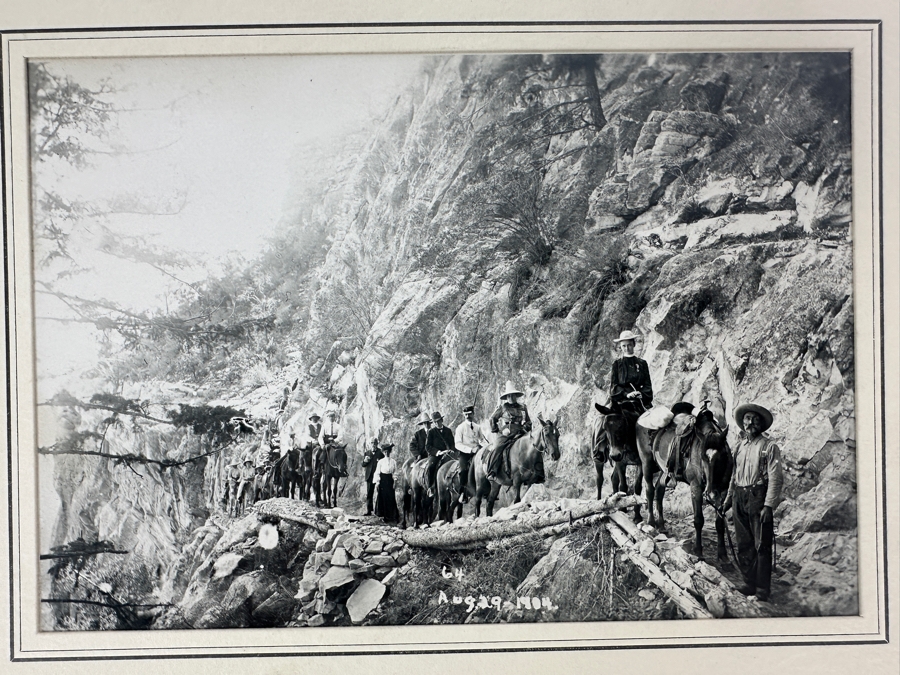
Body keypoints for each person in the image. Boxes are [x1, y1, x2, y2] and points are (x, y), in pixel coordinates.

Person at [725, 403, 784, 602]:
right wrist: (727, 501)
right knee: (743, 543)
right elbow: (734, 475)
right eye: (747, 419)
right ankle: (749, 583)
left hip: (758, 497)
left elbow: (776, 478)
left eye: (755, 420)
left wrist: (769, 505)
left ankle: (762, 589)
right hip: (739, 497)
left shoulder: (769, 447)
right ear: (742, 423)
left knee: (762, 545)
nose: (750, 423)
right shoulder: (739, 447)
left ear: (761, 425)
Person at [487, 382, 532, 481]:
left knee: (533, 445)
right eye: (508, 396)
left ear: (516, 396)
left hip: (520, 431)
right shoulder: (503, 408)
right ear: (506, 397)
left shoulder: (523, 407)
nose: (511, 397)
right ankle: (492, 471)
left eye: (512, 395)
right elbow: (492, 419)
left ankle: (538, 471)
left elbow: (528, 422)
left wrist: (525, 428)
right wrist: (497, 430)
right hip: (506, 432)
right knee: (497, 447)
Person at [610, 329, 653, 415]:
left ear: (634, 344)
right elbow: (614, 386)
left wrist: (642, 394)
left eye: (629, 345)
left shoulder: (642, 363)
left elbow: (647, 385)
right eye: (624, 346)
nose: (626, 348)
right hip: (622, 401)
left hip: (640, 401)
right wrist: (627, 394)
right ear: (620, 347)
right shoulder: (617, 364)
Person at [454, 405, 488, 503]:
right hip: (465, 453)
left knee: (487, 464)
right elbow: (457, 444)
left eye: (470, 414)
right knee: (463, 470)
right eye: (466, 415)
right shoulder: (460, 428)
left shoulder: (477, 427)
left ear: (473, 414)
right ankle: (463, 492)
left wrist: (487, 447)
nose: (468, 416)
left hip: (477, 451)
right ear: (464, 415)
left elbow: (481, 440)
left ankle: (486, 489)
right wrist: (470, 450)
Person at [425, 411, 456, 496]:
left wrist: (451, 450)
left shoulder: (448, 431)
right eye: (435, 422)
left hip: (448, 453)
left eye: (438, 421)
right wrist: (438, 452)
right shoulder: (431, 432)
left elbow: (452, 443)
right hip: (436, 455)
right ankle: (430, 487)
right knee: (431, 466)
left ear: (442, 420)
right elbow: (428, 446)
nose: (437, 423)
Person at [373, 443, 400, 523]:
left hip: (390, 480)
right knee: (383, 498)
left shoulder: (393, 462)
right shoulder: (381, 462)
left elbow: (395, 472)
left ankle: (392, 516)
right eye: (385, 452)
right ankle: (384, 516)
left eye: (388, 451)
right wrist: (377, 483)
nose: (386, 453)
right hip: (383, 480)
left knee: (391, 497)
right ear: (383, 452)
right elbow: (377, 472)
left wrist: (395, 481)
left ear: (390, 452)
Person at [362, 438, 385, 516]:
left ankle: (379, 511)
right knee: (369, 493)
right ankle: (369, 510)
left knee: (380, 492)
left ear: (377, 444)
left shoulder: (380, 453)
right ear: (370, 444)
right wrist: (365, 461)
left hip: (378, 476)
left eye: (375, 443)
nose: (373, 444)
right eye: (372, 443)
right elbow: (363, 465)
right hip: (369, 476)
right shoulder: (367, 453)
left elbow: (383, 464)